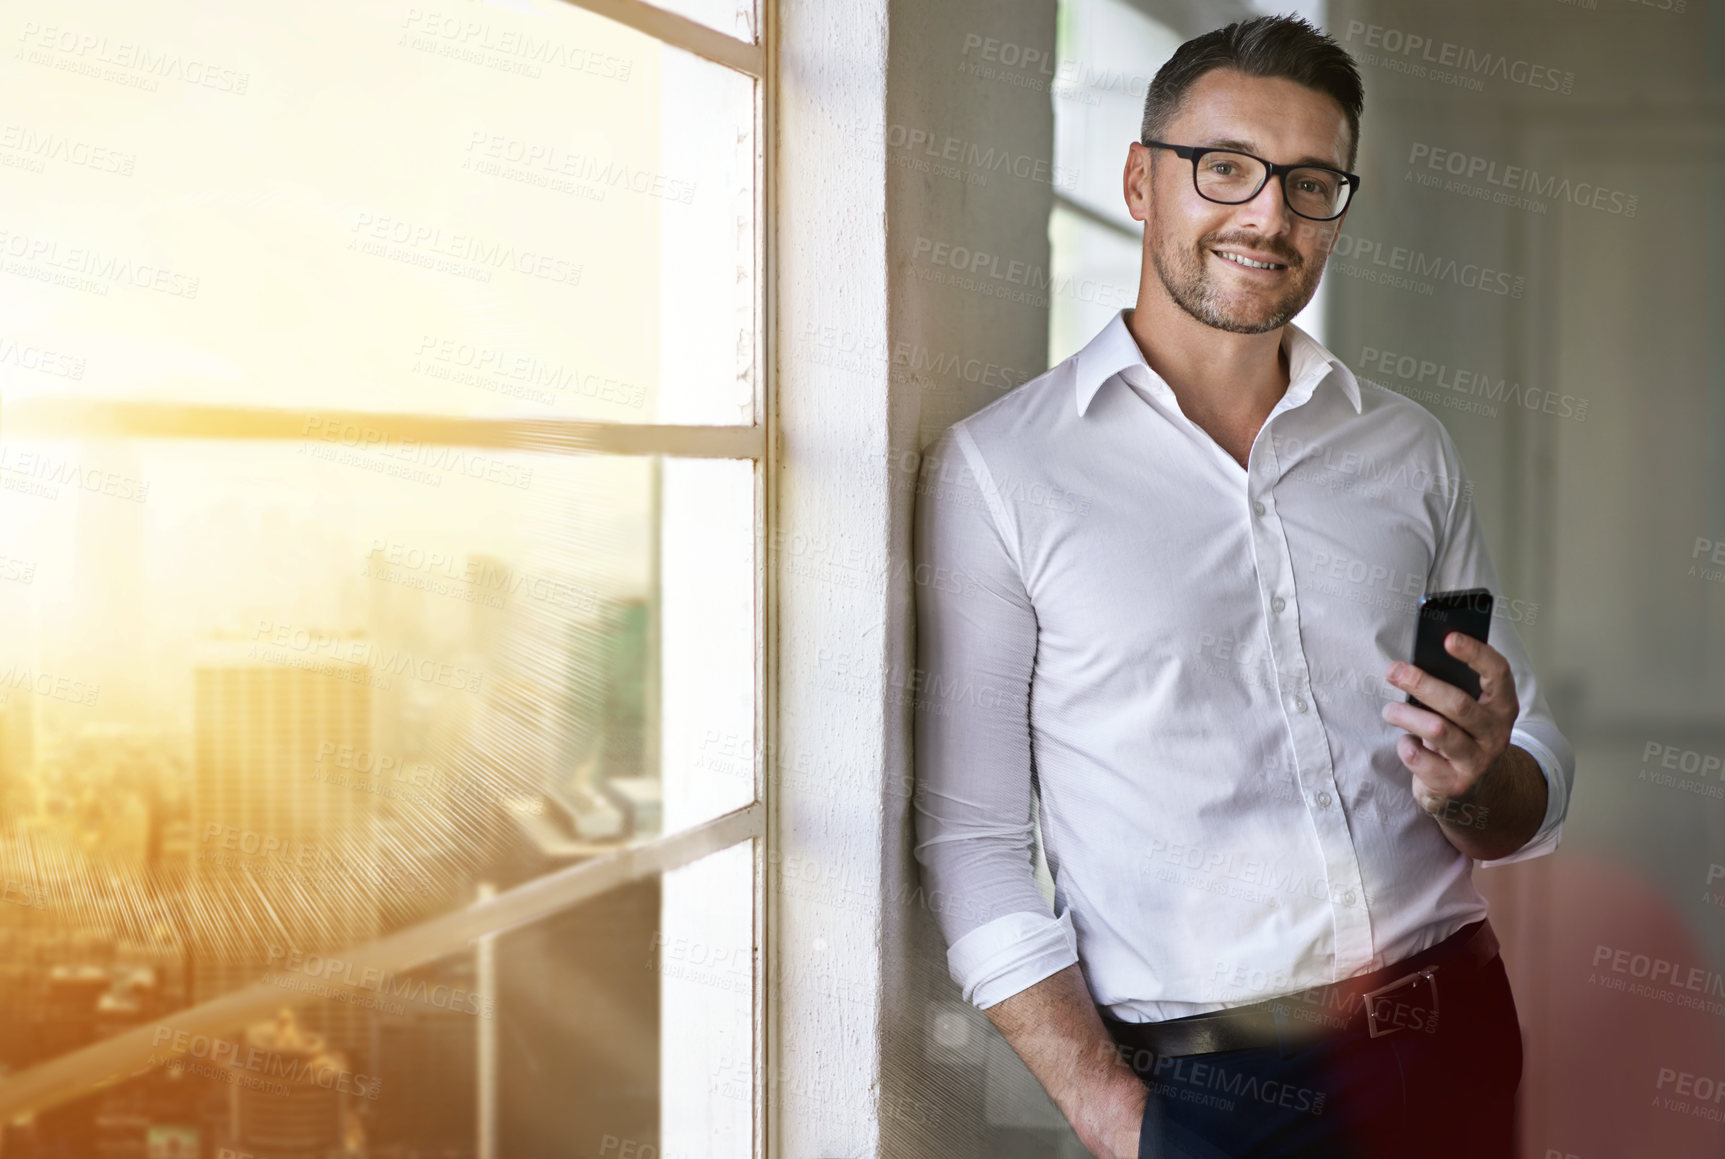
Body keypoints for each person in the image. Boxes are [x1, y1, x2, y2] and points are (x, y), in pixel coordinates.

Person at [910, 15, 1574, 1159]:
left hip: (1453, 1032)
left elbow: (1529, 794)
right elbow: (971, 847)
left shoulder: (1407, 450)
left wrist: (1478, 781)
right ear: (1139, 180)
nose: (1269, 216)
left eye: (1312, 183)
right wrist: (1123, 1121)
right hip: (1205, 1095)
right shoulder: (1004, 470)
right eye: (1226, 168)